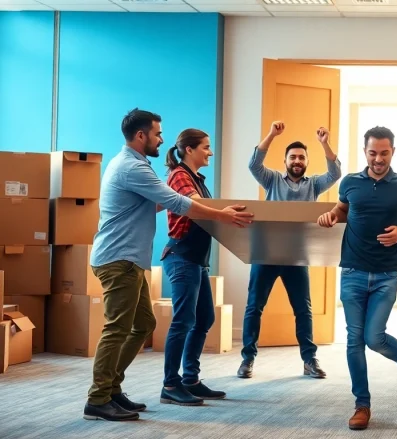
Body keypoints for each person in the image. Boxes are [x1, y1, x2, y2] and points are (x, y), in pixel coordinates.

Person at [84, 108, 253, 422]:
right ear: (141, 135)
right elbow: (175, 202)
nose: (162, 139)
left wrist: (196, 203)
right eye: (157, 133)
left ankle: (111, 389)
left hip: (129, 260)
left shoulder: (136, 165)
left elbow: (159, 200)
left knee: (143, 325)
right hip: (118, 260)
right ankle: (97, 399)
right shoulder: (130, 166)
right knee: (117, 330)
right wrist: (223, 215)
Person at [317, 126, 397, 431]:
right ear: (365, 151)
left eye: (384, 153)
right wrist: (331, 214)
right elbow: (344, 208)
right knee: (354, 341)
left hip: (385, 274)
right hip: (352, 271)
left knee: (374, 337)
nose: (378, 158)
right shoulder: (350, 182)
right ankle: (362, 405)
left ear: (392, 151)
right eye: (372, 153)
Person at [237, 121, 342, 380]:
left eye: (301, 157)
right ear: (285, 161)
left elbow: (335, 173)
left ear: (306, 161)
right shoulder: (271, 179)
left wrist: (324, 143)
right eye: (293, 157)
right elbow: (253, 165)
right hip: (266, 254)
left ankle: (309, 360)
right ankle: (247, 360)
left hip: (297, 256)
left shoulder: (314, 185)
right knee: (254, 307)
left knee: (303, 310)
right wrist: (272, 134)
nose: (297, 160)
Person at [159, 128, 226, 406]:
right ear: (190, 149)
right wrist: (223, 213)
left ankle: (190, 379)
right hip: (182, 256)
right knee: (183, 321)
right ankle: (170, 385)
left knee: (204, 319)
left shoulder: (197, 178)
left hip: (196, 260)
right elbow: (193, 204)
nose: (210, 152)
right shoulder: (179, 175)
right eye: (206, 147)